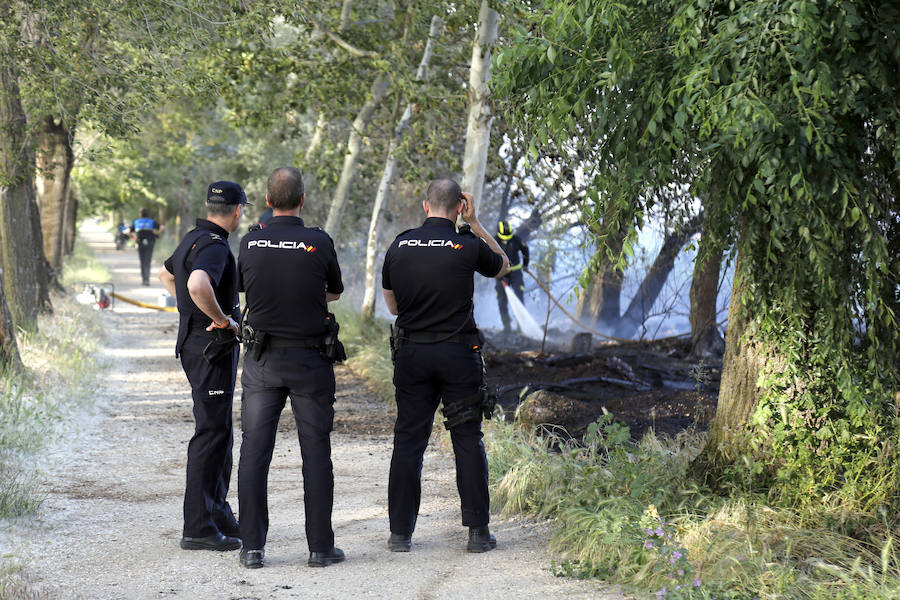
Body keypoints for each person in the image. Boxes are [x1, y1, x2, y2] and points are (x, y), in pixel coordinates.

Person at [381, 178, 509, 553]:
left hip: (412, 355)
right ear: (459, 208)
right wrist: (478, 224)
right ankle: (477, 533)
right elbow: (502, 266)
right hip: (458, 355)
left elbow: (392, 308)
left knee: (408, 441)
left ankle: (400, 534)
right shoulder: (467, 244)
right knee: (467, 439)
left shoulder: (399, 245)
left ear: (425, 206)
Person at [236, 166, 345, 570]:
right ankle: (320, 548)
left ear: (267, 201)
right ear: (302, 200)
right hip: (310, 361)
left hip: (262, 362)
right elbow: (333, 291)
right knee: (316, 453)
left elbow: (243, 285)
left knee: (254, 453)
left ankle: (251, 548)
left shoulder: (250, 243)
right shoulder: (318, 241)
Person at [158, 181, 249, 552]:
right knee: (211, 433)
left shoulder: (193, 237)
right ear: (238, 210)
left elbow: (168, 275)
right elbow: (196, 284)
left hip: (196, 344)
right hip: (210, 348)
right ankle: (198, 528)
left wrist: (193, 311)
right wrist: (222, 319)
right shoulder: (213, 245)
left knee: (219, 430)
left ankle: (219, 513)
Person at [493, 220, 529, 332]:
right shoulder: (493, 241)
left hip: (516, 273)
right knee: (501, 301)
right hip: (500, 274)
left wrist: (525, 265)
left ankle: (521, 326)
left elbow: (525, 250)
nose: (506, 240)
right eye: (504, 238)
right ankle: (507, 327)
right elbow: (489, 258)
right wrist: (497, 275)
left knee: (519, 297)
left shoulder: (516, 239)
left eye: (508, 237)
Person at [130, 208, 164, 285]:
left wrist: (134, 238)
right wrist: (156, 235)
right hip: (150, 243)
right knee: (148, 260)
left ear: (140, 214)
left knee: (142, 261)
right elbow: (162, 228)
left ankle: (144, 279)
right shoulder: (151, 221)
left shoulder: (137, 222)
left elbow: (128, 231)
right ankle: (147, 279)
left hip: (140, 243)